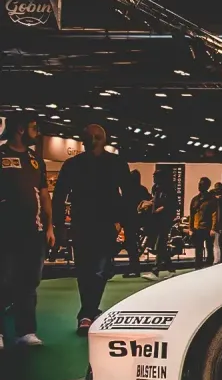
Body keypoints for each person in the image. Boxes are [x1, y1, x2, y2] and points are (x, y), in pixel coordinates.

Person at [52, 123, 131, 334]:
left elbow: (128, 194)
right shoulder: (73, 164)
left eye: (97, 137)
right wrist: (59, 225)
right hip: (83, 223)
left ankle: (87, 312)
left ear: (104, 140)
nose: (93, 140)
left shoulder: (116, 163)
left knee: (100, 270)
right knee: (87, 270)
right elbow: (59, 196)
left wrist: (121, 222)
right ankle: (88, 312)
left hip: (105, 223)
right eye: (90, 137)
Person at [0, 114, 54, 348]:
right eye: (34, 127)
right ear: (20, 129)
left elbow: (44, 194)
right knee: (3, 280)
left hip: (33, 231)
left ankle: (26, 331)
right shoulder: (1, 155)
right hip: (4, 230)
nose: (37, 132)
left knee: (29, 281)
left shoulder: (35, 160)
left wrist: (50, 226)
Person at [120, 168, 151, 277]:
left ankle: (134, 267)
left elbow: (124, 206)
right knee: (133, 245)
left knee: (131, 245)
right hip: (138, 221)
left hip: (130, 221)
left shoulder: (127, 191)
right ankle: (134, 267)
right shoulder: (142, 190)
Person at [188, 176, 218, 269]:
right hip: (197, 228)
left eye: (202, 184)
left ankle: (209, 266)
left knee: (209, 248)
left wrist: (213, 228)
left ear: (207, 186)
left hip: (208, 228)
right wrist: (190, 228)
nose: (200, 186)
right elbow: (192, 214)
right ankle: (198, 267)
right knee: (198, 249)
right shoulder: (195, 199)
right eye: (199, 184)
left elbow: (215, 214)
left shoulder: (212, 199)